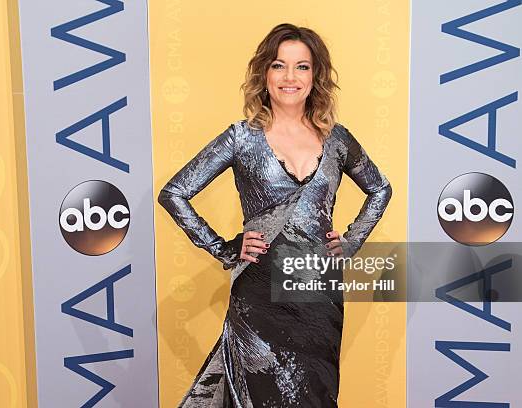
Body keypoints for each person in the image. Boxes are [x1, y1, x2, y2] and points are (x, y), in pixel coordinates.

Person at [158, 23, 392, 408]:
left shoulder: (338, 139)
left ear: (315, 76)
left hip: (318, 297)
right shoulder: (241, 137)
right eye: (279, 65)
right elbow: (175, 192)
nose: (289, 77)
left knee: (314, 396)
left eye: (302, 67)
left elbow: (380, 188)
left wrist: (351, 242)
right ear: (264, 73)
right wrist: (226, 248)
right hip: (259, 296)